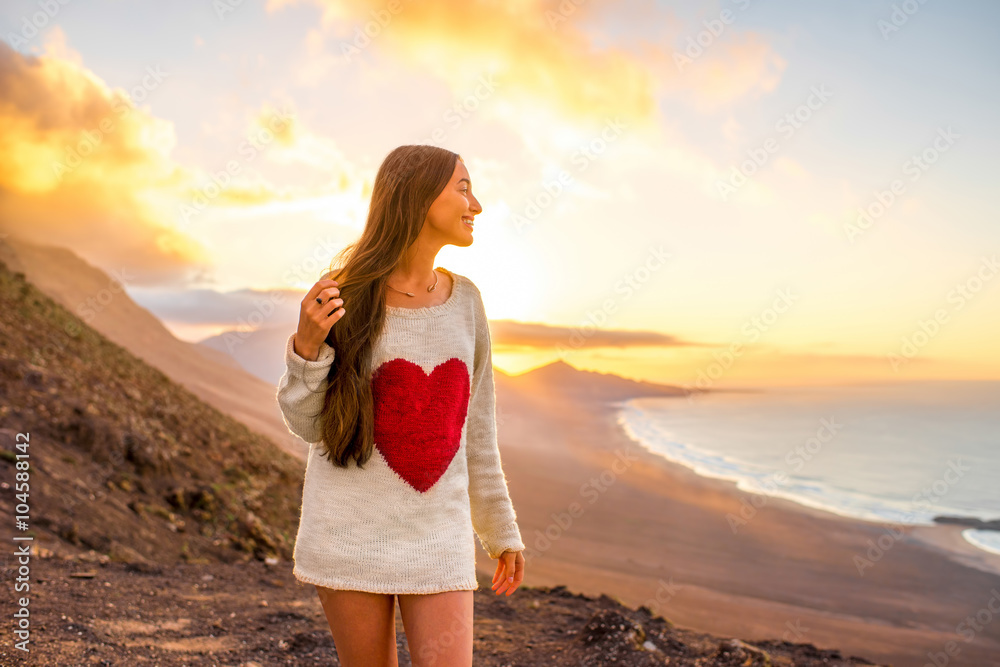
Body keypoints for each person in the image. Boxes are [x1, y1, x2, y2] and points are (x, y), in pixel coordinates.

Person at [275, 144, 526, 666]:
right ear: (417, 196)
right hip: (348, 535)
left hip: (440, 537)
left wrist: (500, 531)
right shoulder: (345, 296)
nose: (475, 204)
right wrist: (306, 348)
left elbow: (476, 431)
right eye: (462, 187)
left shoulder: (468, 302)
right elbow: (308, 426)